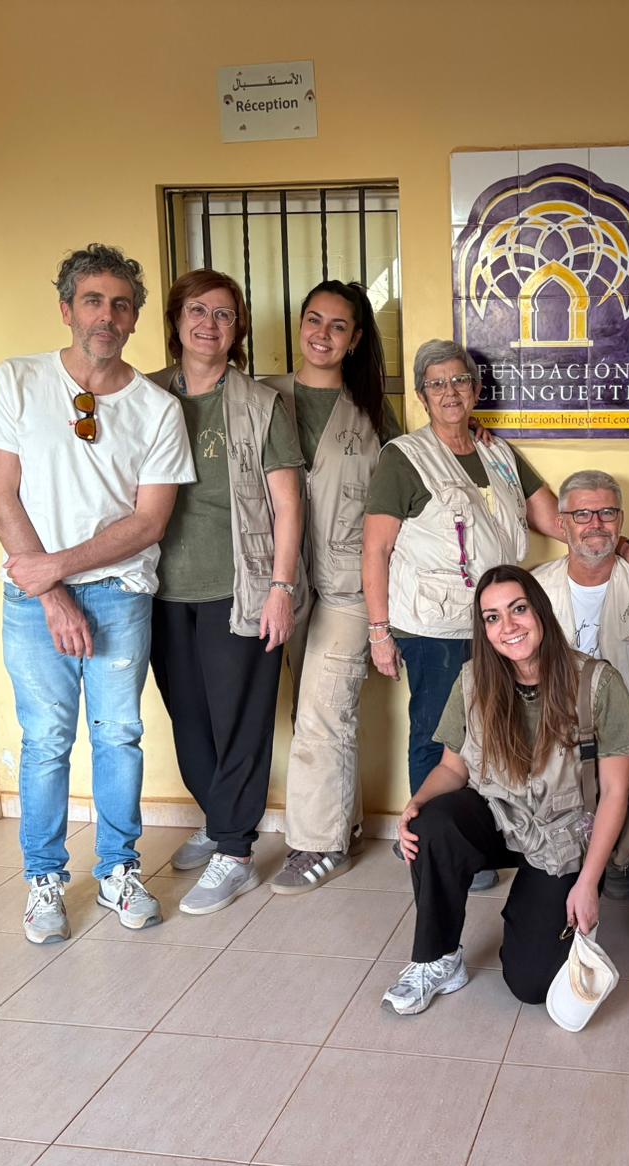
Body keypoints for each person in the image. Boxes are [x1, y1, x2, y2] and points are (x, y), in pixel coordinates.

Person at [363, 340, 629, 891]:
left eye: (460, 381)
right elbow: (376, 547)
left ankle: (486, 837)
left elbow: (555, 519)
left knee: (498, 733)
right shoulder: (404, 457)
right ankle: (432, 847)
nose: (450, 392)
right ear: (422, 395)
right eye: (436, 384)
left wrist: (617, 545)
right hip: (435, 626)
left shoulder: (497, 452)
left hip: (501, 624)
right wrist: (379, 631)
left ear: (476, 389)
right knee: (439, 738)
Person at [0, 244, 195, 943]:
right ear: (66, 309)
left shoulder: (157, 409)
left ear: (135, 319)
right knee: (45, 741)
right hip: (34, 602)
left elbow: (149, 522)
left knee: (118, 735)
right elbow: (0, 494)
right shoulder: (17, 381)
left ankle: (118, 871)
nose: (107, 316)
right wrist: (52, 593)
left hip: (120, 594)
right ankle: (44, 880)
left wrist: (58, 569)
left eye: (121, 305)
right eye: (93, 301)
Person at [384, 565, 629, 1013]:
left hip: (564, 834)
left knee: (532, 984)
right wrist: (416, 804)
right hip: (500, 817)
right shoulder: (473, 680)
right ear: (483, 629)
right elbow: (452, 768)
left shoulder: (597, 683)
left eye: (518, 609)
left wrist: (587, 882)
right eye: (492, 617)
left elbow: (616, 793)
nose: (508, 626)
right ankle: (438, 958)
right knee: (431, 824)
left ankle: (542, 904)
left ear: (539, 611)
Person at [145, 270, 306, 915]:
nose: (209, 324)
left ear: (238, 328)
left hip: (241, 586)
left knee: (240, 718)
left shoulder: (262, 404)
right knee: (188, 717)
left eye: (224, 314)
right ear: (177, 319)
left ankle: (235, 852)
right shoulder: (142, 395)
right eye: (197, 310)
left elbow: (288, 504)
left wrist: (281, 587)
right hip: (158, 587)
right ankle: (219, 819)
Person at [262, 281, 404, 894]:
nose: (322, 334)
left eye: (338, 325)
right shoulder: (263, 397)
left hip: (349, 586)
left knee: (324, 708)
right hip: (279, 582)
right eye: (313, 320)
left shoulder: (373, 412)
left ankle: (318, 844)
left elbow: (408, 493)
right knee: (308, 711)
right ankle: (342, 822)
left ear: (356, 338)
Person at [532, 469, 629, 898]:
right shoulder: (536, 589)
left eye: (607, 513)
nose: (595, 524)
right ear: (561, 524)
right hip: (558, 731)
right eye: (582, 514)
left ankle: (623, 854)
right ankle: (570, 853)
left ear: (621, 520)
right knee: (556, 789)